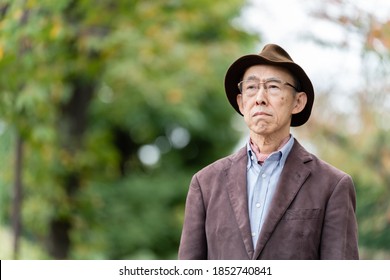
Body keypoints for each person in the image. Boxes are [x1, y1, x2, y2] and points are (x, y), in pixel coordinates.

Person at [178, 44, 359, 260]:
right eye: (251, 88)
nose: (260, 98)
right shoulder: (205, 183)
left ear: (298, 102)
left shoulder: (332, 186)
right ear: (241, 103)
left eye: (273, 87)